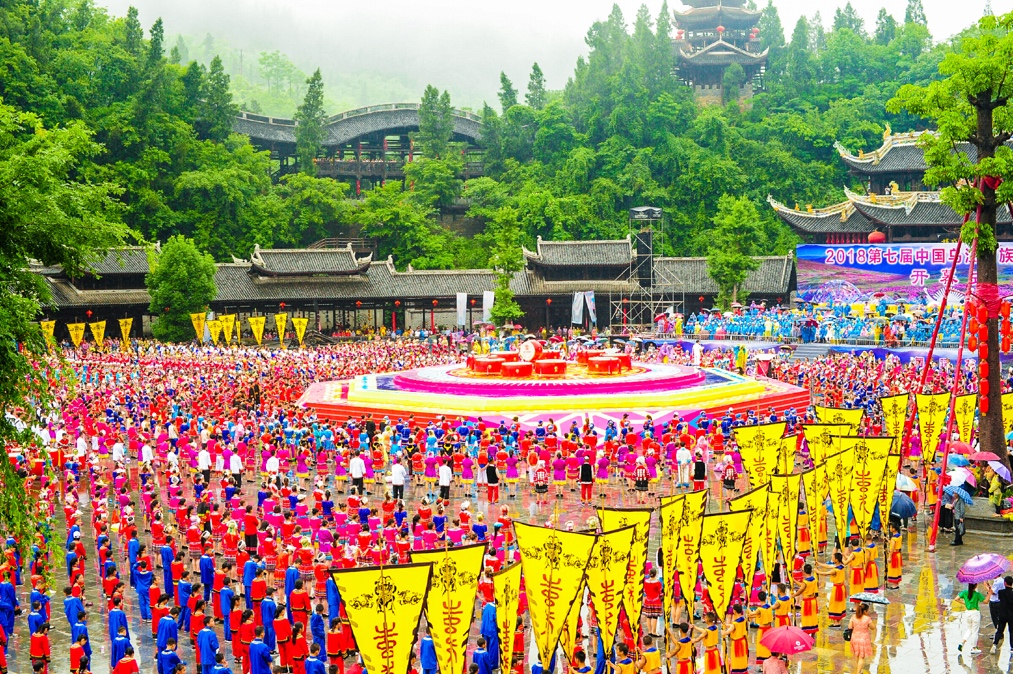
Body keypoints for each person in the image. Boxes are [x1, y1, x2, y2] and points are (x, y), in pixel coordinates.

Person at [956, 582, 985, 656]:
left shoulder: (964, 592)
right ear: (976, 585)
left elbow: (956, 599)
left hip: (967, 613)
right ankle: (974, 648)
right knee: (975, 631)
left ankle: (962, 642)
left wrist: (965, 603)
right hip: (975, 613)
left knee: (969, 629)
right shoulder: (977, 594)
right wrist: (990, 593)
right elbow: (985, 601)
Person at [847, 602, 875, 672]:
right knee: (861, 657)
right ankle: (858, 672)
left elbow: (850, 627)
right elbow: (873, 627)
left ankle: (860, 670)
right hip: (863, 639)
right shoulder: (867, 618)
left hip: (854, 638)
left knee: (857, 655)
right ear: (865, 611)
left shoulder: (853, 616)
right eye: (868, 610)